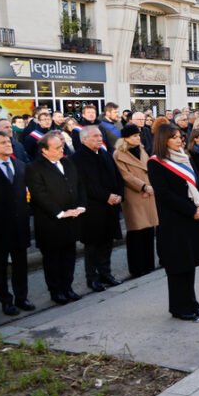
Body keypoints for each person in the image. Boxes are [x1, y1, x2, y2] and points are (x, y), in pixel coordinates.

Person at [147, 124, 199, 321]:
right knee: (178, 266)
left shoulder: (185, 159)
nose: (179, 140)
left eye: (180, 137)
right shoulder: (156, 163)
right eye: (174, 137)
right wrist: (191, 210)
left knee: (190, 264)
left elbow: (198, 183)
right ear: (163, 140)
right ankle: (179, 307)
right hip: (175, 222)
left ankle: (191, 302)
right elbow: (165, 194)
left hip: (194, 219)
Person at [26, 132, 85, 305]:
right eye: (57, 147)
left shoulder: (68, 162)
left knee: (69, 256)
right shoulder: (34, 168)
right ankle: (56, 291)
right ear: (44, 150)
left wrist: (81, 206)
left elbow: (79, 184)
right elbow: (39, 195)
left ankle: (68, 288)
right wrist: (60, 212)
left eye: (62, 146)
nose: (62, 150)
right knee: (53, 260)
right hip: (50, 223)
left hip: (72, 220)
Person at [0, 132, 35, 315]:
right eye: (3, 142)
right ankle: (6, 300)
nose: (9, 144)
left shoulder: (20, 165)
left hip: (20, 224)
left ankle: (22, 297)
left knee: (21, 263)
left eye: (9, 141)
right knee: (0, 267)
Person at [73, 125, 124, 292]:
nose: (99, 138)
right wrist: (106, 196)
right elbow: (85, 184)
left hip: (110, 207)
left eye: (100, 136)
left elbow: (117, 176)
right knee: (93, 245)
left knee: (107, 243)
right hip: (93, 209)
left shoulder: (104, 154)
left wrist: (118, 194)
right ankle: (92, 278)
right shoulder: (78, 158)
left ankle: (105, 274)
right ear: (84, 139)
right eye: (95, 136)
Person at [113, 124, 158, 278]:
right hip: (134, 194)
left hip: (149, 192)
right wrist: (144, 186)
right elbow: (125, 176)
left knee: (148, 230)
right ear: (125, 138)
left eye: (138, 135)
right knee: (136, 231)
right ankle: (137, 267)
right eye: (133, 136)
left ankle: (148, 264)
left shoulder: (142, 149)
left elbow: (150, 168)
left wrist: (150, 186)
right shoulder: (119, 154)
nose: (137, 138)